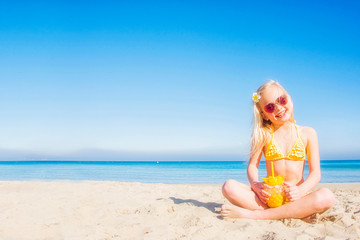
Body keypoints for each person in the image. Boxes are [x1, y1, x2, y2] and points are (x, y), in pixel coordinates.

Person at [221, 80, 335, 220]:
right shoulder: (264, 134)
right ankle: (295, 214)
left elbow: (315, 173)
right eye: (270, 107)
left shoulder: (308, 133)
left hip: (296, 197)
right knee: (229, 186)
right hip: (269, 199)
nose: (278, 108)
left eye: (281, 100)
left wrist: (301, 190)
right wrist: (255, 185)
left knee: (327, 196)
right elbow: (252, 166)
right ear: (263, 115)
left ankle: (257, 215)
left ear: (290, 99)